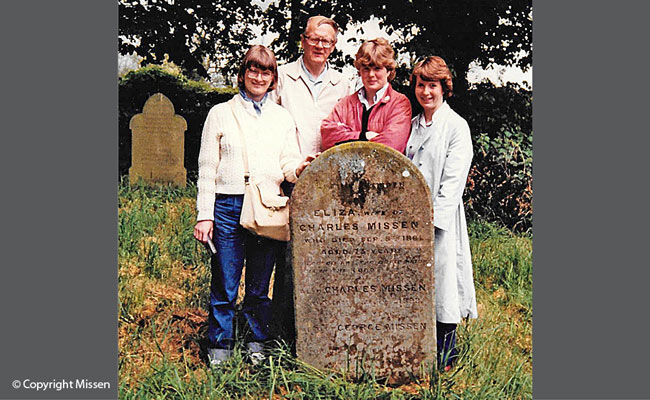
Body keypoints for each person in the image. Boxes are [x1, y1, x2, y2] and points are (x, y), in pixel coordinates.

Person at [193, 45, 314, 366]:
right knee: (226, 282)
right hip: (228, 206)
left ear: (273, 78)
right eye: (253, 70)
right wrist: (204, 216)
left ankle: (256, 343)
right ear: (243, 73)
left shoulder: (282, 117)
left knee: (260, 285)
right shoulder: (220, 113)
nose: (259, 77)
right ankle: (220, 346)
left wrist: (300, 168)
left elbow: (288, 161)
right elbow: (207, 169)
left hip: (267, 205)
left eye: (266, 71)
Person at [269, 15, 350, 346]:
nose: (320, 46)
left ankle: (325, 333)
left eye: (327, 41)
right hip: (291, 177)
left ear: (333, 46)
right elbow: (270, 126)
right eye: (314, 39)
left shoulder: (344, 84)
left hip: (329, 184)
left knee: (327, 260)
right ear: (302, 40)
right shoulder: (283, 78)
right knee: (287, 261)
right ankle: (282, 337)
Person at [405, 56, 478, 371]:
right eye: (421, 85)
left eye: (432, 85)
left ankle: (446, 360)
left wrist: (432, 223)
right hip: (409, 222)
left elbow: (452, 183)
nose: (426, 92)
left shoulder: (456, 126)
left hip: (440, 223)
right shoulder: (413, 124)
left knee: (444, 287)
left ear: (443, 87)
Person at [320, 37, 412, 153]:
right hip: (347, 171)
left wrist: (348, 139)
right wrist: (363, 136)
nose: (371, 74)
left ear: (388, 71)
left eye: (377, 68)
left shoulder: (399, 103)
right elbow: (328, 137)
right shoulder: (346, 104)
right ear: (359, 71)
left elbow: (391, 146)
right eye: (366, 69)